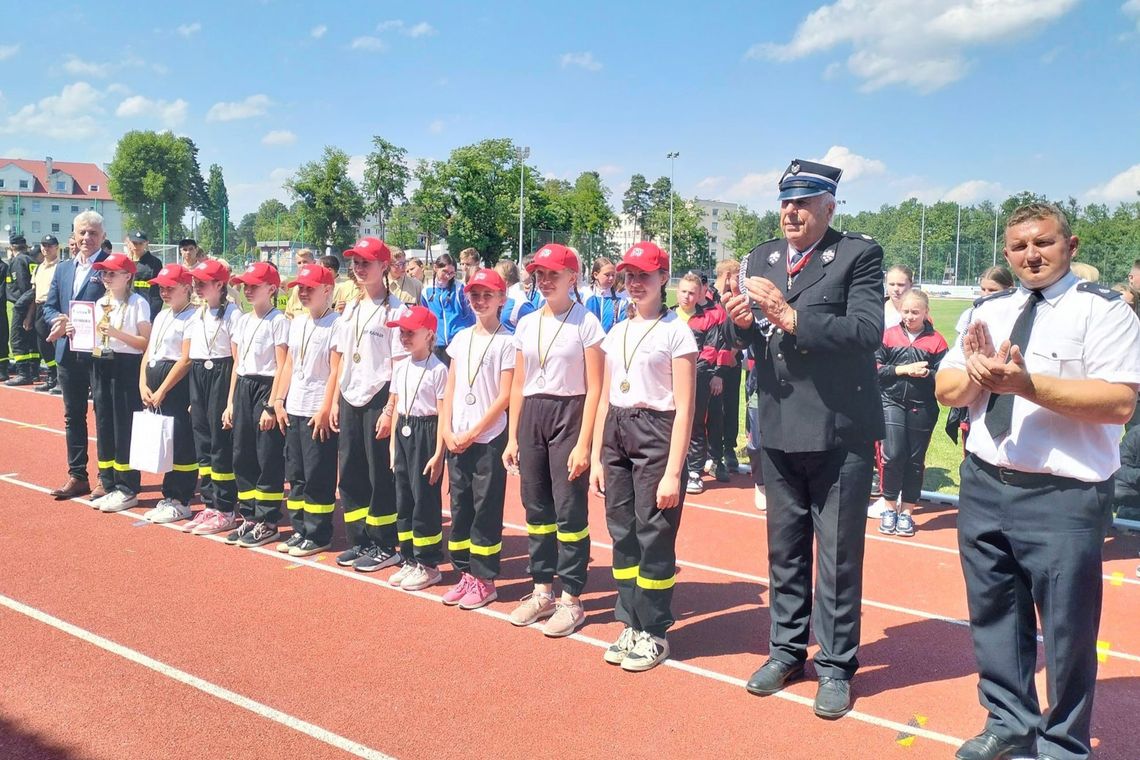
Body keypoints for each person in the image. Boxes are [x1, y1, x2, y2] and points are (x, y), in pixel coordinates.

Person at [935, 203, 1140, 760]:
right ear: (1007, 253)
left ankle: (1063, 742)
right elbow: (947, 389)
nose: (1032, 254)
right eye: (1020, 246)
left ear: (1070, 246)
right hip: (983, 483)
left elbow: (1119, 402)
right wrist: (978, 378)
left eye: (1044, 243)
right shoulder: (988, 310)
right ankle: (1009, 720)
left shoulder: (1104, 312)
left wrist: (1025, 384)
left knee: (1069, 630)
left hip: (1062, 496)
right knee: (994, 614)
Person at [723, 159, 884, 719]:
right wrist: (740, 320)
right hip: (779, 426)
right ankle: (786, 650)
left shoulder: (858, 255)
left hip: (838, 430)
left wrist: (788, 316)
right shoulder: (762, 255)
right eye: (785, 202)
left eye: (804, 202)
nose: (791, 212)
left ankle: (836, 666)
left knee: (838, 556)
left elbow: (865, 332)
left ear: (829, 206)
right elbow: (742, 336)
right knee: (784, 551)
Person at [590, 241, 697, 671]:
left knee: (653, 534)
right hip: (616, 429)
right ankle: (630, 621)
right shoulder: (616, 331)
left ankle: (654, 631)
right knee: (622, 531)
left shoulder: (678, 332)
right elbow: (603, 399)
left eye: (644, 276)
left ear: (663, 279)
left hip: (657, 432)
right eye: (629, 276)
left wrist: (673, 472)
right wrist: (598, 455)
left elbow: (686, 407)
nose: (635, 284)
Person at [504, 244, 604, 637]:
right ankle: (542, 589)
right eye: (539, 275)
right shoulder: (527, 323)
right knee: (536, 506)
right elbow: (517, 384)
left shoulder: (587, 323)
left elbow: (596, 388)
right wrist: (512, 436)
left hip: (570, 413)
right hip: (533, 416)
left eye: (552, 275)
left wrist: (585, 444)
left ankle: (572, 598)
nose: (544, 281)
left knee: (569, 510)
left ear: (572, 278)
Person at [329, 237, 409, 572]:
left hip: (379, 397)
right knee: (351, 472)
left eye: (367, 263)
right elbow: (343, 358)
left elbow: (400, 365)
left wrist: (390, 409)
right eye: (356, 263)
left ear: (384, 267)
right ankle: (359, 539)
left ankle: (384, 543)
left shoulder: (397, 311)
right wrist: (334, 401)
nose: (360, 268)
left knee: (380, 474)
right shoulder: (350, 310)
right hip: (350, 397)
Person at [440, 268, 515, 609]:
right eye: (475, 295)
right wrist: (447, 431)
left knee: (485, 508)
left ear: (502, 299)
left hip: (487, 438)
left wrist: (473, 432)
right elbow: (451, 387)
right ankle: (465, 573)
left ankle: (485, 579)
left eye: (488, 295)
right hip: (458, 437)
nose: (480, 301)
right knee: (461, 505)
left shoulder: (508, 342)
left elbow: (504, 397)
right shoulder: (460, 338)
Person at [273, 262, 342, 557]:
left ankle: (318, 532)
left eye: (309, 289)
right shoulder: (297, 322)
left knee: (318, 474)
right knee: (297, 472)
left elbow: (336, 371)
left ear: (327, 290)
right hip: (295, 407)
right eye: (300, 288)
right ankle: (300, 528)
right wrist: (278, 400)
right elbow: (288, 364)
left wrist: (326, 407)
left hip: (317, 409)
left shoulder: (337, 324)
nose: (303, 293)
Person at [43, 211, 111, 500]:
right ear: (74, 235)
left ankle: (106, 478)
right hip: (68, 353)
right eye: (82, 232)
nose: (87, 238)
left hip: (99, 354)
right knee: (73, 416)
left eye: (93, 233)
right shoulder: (62, 269)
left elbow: (117, 307)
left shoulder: (111, 267)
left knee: (105, 416)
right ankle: (77, 475)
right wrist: (59, 319)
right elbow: (49, 306)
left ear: (103, 236)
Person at [222, 262, 289, 547]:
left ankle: (268, 519)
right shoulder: (242, 320)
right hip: (243, 387)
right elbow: (238, 364)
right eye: (245, 286)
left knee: (267, 456)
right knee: (242, 455)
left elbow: (282, 364)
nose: (247, 290)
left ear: (271, 289)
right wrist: (230, 403)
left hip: (266, 387)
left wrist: (272, 404)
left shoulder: (279, 321)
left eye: (254, 286)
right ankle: (249, 515)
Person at [872, 290, 948, 537]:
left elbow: (946, 377)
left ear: (926, 312)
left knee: (914, 461)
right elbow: (876, 369)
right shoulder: (888, 335)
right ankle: (889, 508)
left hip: (922, 407)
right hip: (890, 401)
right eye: (905, 311)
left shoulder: (937, 341)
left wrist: (928, 374)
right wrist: (904, 370)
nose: (910, 316)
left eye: (916, 312)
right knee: (892, 455)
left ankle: (906, 513)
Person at [386, 305, 448, 590]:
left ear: (429, 335)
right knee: (403, 498)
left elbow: (442, 412)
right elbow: (397, 407)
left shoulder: (438, 370)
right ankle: (409, 558)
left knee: (424, 498)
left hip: (427, 432)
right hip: (404, 432)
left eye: (411, 332)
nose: (404, 336)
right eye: (402, 331)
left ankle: (429, 563)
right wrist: (392, 446)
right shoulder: (400, 366)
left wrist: (438, 454)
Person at [180, 259, 242, 536]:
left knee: (220, 443)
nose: (196, 286)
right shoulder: (197, 314)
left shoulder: (234, 314)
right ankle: (209, 502)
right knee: (202, 440)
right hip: (199, 375)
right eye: (195, 282)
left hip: (221, 373)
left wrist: (230, 401)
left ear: (220, 284)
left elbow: (237, 360)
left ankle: (226, 507)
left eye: (203, 282)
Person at [87, 253, 151, 513]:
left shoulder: (138, 303)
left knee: (124, 426)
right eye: (104, 273)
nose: (107, 277)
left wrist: (116, 334)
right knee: (104, 424)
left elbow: (145, 342)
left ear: (128, 276)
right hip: (102, 365)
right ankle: (110, 482)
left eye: (112, 273)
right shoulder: (101, 302)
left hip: (126, 367)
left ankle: (127, 487)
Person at [138, 263, 200, 523]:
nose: (164, 292)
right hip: (155, 388)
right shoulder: (162, 315)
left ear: (186, 288)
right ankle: (169, 494)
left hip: (175, 388)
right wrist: (143, 383)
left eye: (170, 288)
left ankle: (181, 497)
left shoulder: (193, 317)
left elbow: (185, 360)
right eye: (161, 288)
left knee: (182, 442)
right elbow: (149, 352)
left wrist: (163, 388)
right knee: (165, 442)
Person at [674, 272, 733, 492]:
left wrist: (706, 373)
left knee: (696, 424)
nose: (687, 297)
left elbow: (711, 350)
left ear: (700, 293)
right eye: (683, 292)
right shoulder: (668, 316)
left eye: (692, 293)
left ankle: (695, 472)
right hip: (668, 382)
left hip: (697, 380)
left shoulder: (711, 317)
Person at [713, 258, 744, 474]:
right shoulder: (708, 298)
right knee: (714, 409)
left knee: (731, 405)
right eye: (736, 277)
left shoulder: (737, 298)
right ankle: (711, 450)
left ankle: (729, 448)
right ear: (727, 276)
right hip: (712, 362)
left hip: (732, 361)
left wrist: (733, 351)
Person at [421, 253, 474, 365]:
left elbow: (470, 316)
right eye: (445, 271)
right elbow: (425, 319)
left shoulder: (460, 289)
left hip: (458, 342)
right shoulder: (427, 291)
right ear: (435, 268)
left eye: (452, 273)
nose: (448, 276)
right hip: (436, 344)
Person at [5, 234, 40, 385]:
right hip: (31, 305)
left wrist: (22, 308)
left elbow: (25, 286)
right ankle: (34, 372)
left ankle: (23, 373)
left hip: (22, 305)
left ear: (12, 247)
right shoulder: (31, 259)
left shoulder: (19, 260)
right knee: (31, 341)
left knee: (17, 340)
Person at [32, 235, 62, 393]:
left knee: (57, 344)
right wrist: (29, 316)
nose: (46, 248)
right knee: (43, 345)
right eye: (43, 245)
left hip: (53, 307)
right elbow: (34, 292)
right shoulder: (38, 267)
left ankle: (61, 379)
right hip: (39, 307)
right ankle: (52, 376)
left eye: (49, 246)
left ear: (57, 247)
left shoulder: (61, 266)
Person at [125, 230, 164, 320]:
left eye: (140, 243)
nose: (137, 246)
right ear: (129, 243)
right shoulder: (125, 262)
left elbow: (157, 293)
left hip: (145, 309)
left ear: (146, 243)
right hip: (126, 307)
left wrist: (152, 315)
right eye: (134, 242)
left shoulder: (154, 263)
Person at [583, 257, 628, 333]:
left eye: (613, 275)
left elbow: (623, 326)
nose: (611, 278)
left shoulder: (621, 300)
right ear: (596, 275)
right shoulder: (585, 295)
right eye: (607, 275)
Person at [502, 253, 543, 331]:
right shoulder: (522, 287)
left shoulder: (540, 295)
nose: (520, 272)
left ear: (532, 272)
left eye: (523, 269)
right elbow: (518, 286)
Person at [284, 248, 317, 318]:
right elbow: (288, 314)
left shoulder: (320, 286)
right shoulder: (296, 289)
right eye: (299, 263)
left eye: (305, 262)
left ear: (314, 263)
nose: (302, 265)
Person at [883, 264, 913, 329]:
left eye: (900, 285)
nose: (896, 289)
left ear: (911, 285)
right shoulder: (875, 309)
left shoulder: (918, 314)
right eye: (891, 284)